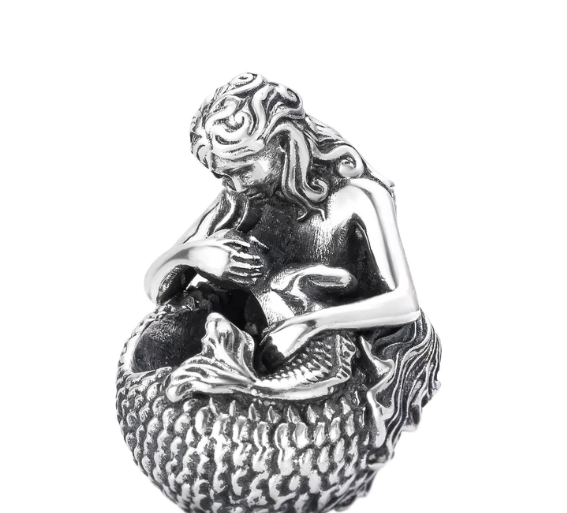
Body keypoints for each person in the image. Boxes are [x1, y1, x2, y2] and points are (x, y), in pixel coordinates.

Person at [145, 72, 422, 366]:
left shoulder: (358, 197)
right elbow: (155, 289)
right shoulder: (241, 199)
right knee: (157, 341)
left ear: (284, 142)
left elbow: (405, 302)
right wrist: (194, 255)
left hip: (330, 342)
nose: (237, 185)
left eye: (244, 169)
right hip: (258, 334)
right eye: (224, 175)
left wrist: (307, 326)